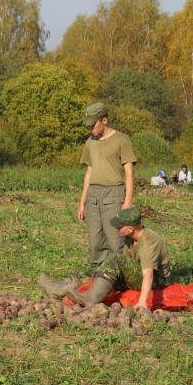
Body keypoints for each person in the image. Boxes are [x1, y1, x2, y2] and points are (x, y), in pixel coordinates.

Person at [39, 207, 170, 309]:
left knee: (115, 259)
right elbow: (124, 266)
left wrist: (142, 301)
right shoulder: (130, 238)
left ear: (130, 228)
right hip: (137, 274)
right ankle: (56, 291)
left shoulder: (149, 241)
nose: (117, 228)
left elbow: (148, 274)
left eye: (120, 226)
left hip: (155, 281)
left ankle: (90, 298)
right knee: (100, 269)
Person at [77, 103, 137, 267]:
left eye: (93, 123)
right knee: (95, 242)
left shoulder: (121, 139)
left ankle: (120, 275)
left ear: (104, 120)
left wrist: (128, 202)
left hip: (114, 194)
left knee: (115, 240)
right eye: (87, 124)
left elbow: (129, 172)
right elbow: (89, 173)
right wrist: (82, 203)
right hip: (93, 196)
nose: (90, 127)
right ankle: (99, 276)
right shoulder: (90, 142)